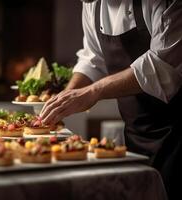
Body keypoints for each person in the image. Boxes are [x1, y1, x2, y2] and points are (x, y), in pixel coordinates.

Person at [40, 0, 182, 199]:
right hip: (134, 132)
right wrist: (67, 96)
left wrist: (93, 92)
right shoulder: (92, 3)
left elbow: (161, 66)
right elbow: (93, 60)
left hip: (177, 134)